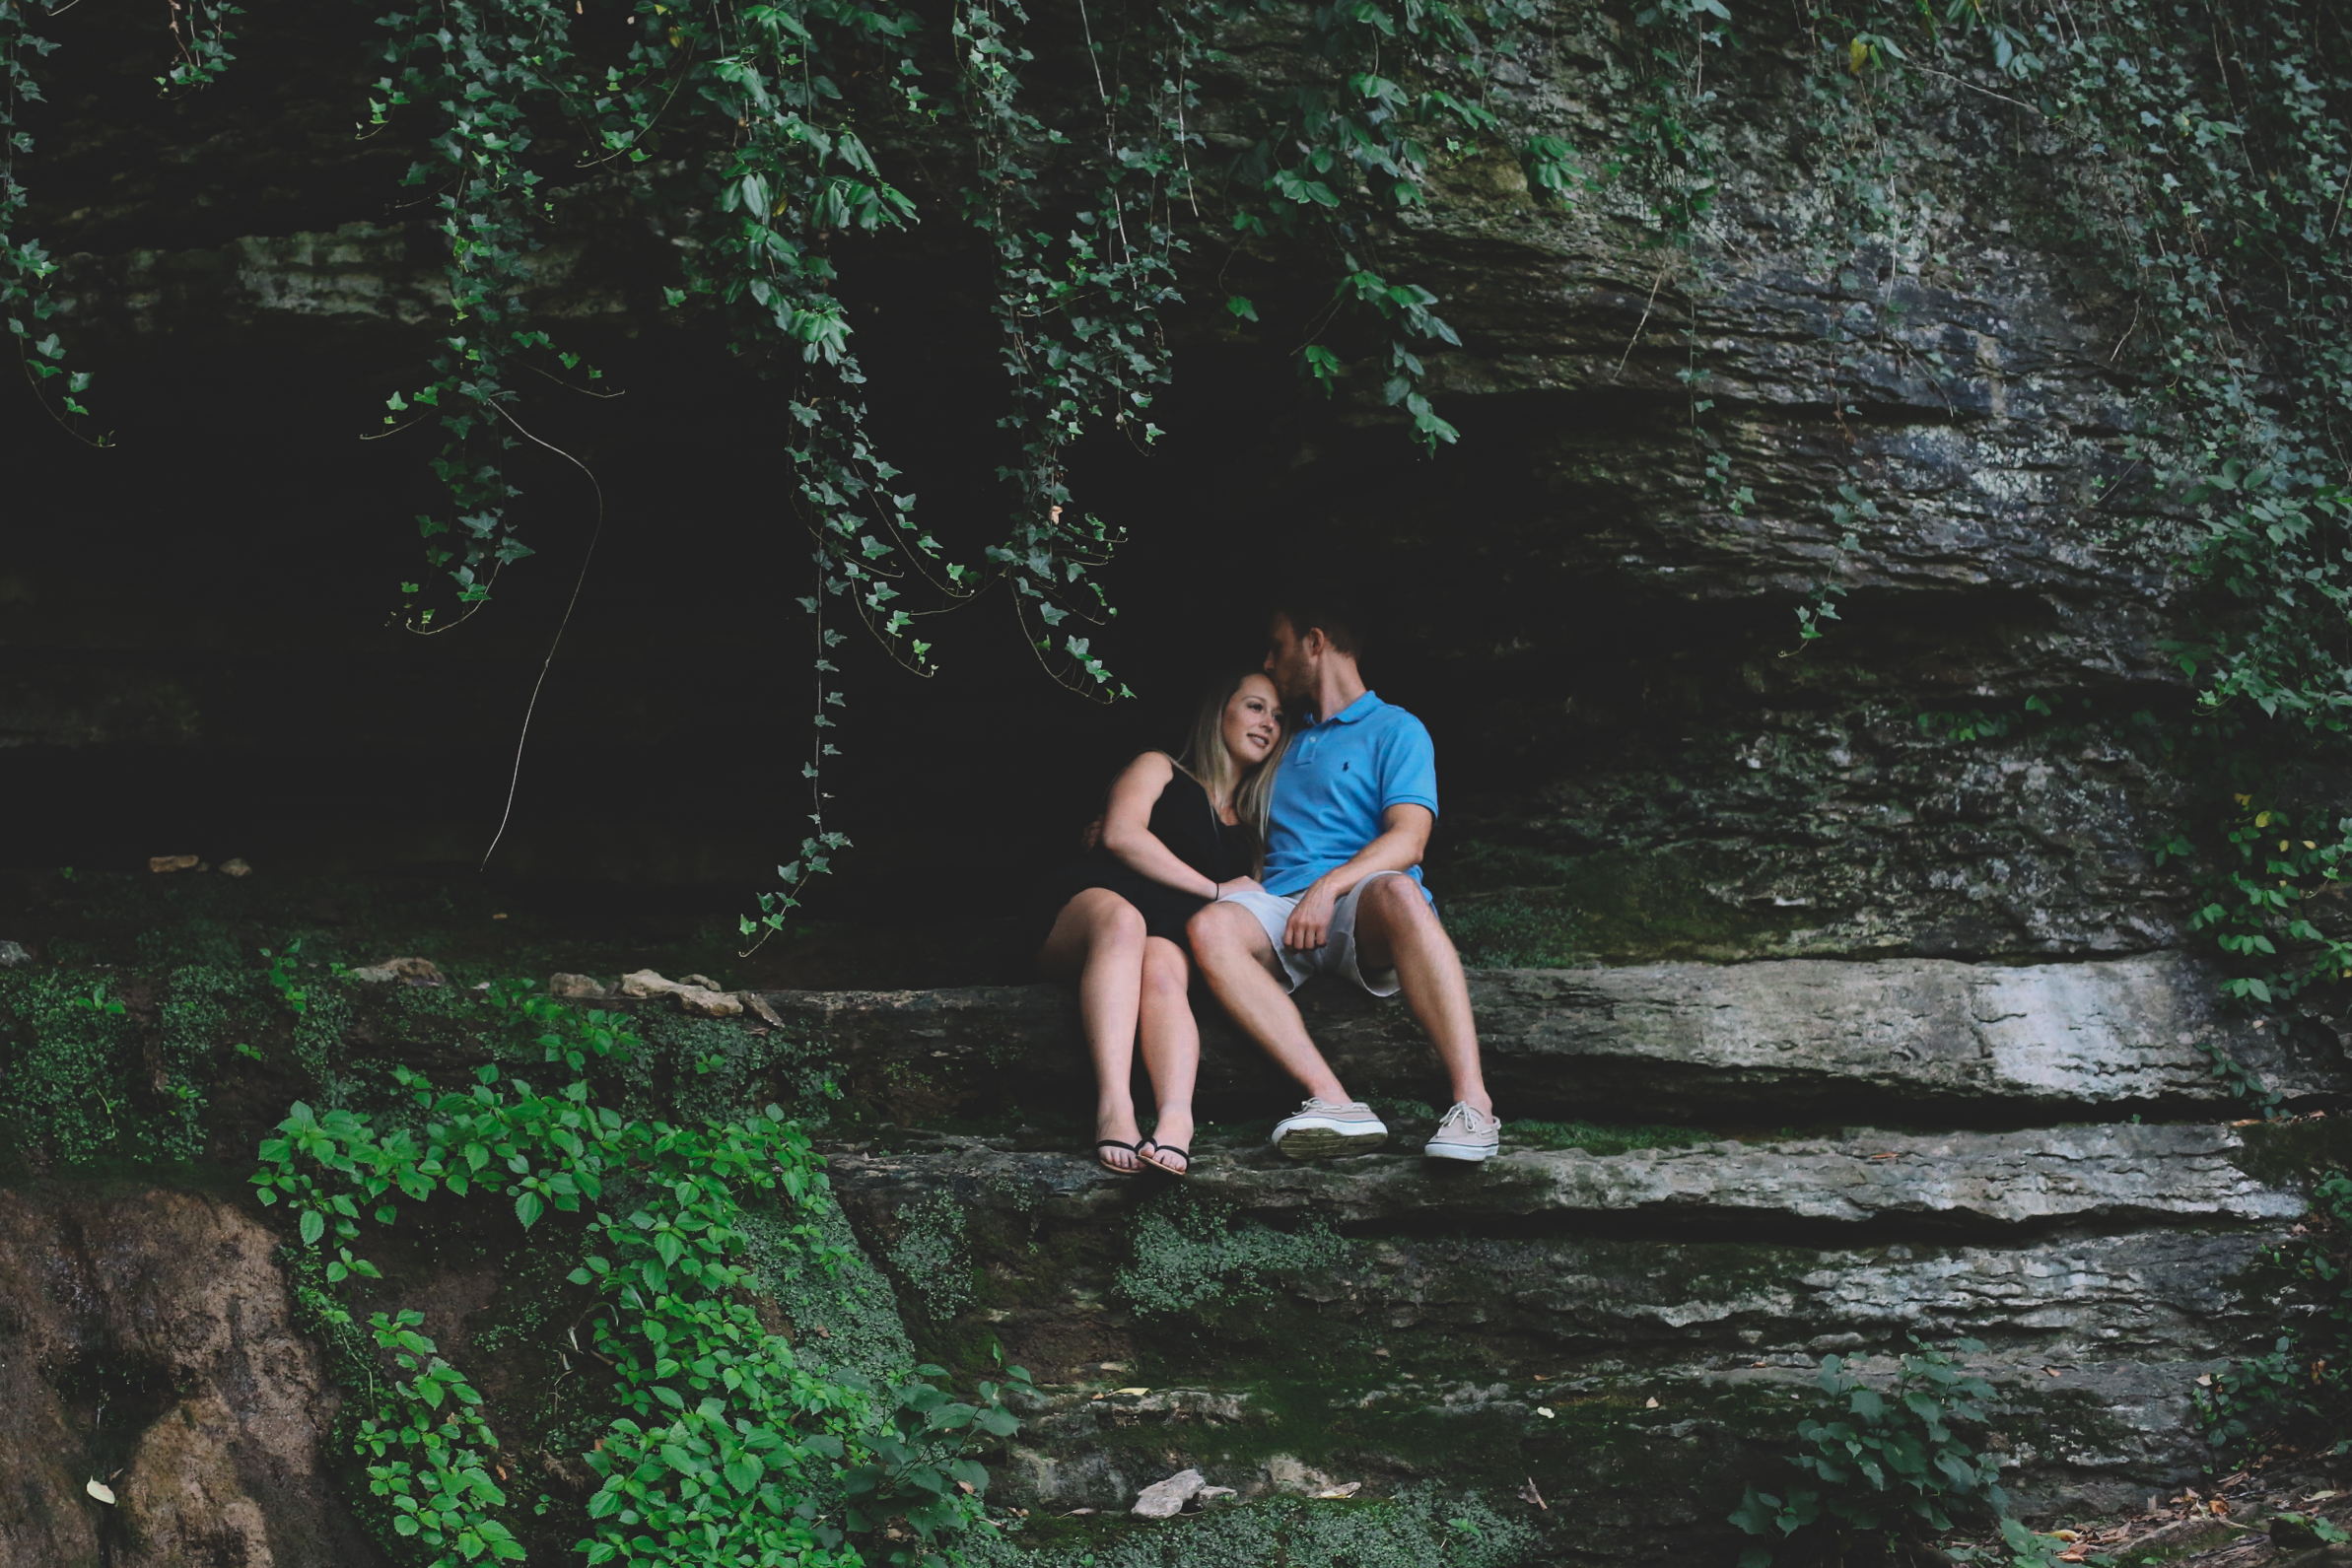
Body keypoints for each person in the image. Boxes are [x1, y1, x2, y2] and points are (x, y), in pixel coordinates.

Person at [1185, 592, 1501, 1162]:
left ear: (1315, 643)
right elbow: (1219, 794)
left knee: (1402, 889)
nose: (1267, 662)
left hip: (1359, 906)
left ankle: (1475, 1106)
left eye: (1278, 647)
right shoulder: (1282, 737)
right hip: (1280, 911)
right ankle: (1334, 1101)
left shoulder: (1396, 729)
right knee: (1210, 927)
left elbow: (1410, 838)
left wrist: (1329, 887)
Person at [1035, 671, 1287, 1176]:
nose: (1269, 723)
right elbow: (1122, 835)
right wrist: (1218, 889)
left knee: (1164, 964)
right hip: (1095, 907)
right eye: (1256, 707)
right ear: (1220, 712)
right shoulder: (1161, 768)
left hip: (1169, 931)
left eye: (1279, 717)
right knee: (1125, 923)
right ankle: (1115, 1104)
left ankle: (1177, 1119)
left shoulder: (1254, 834)